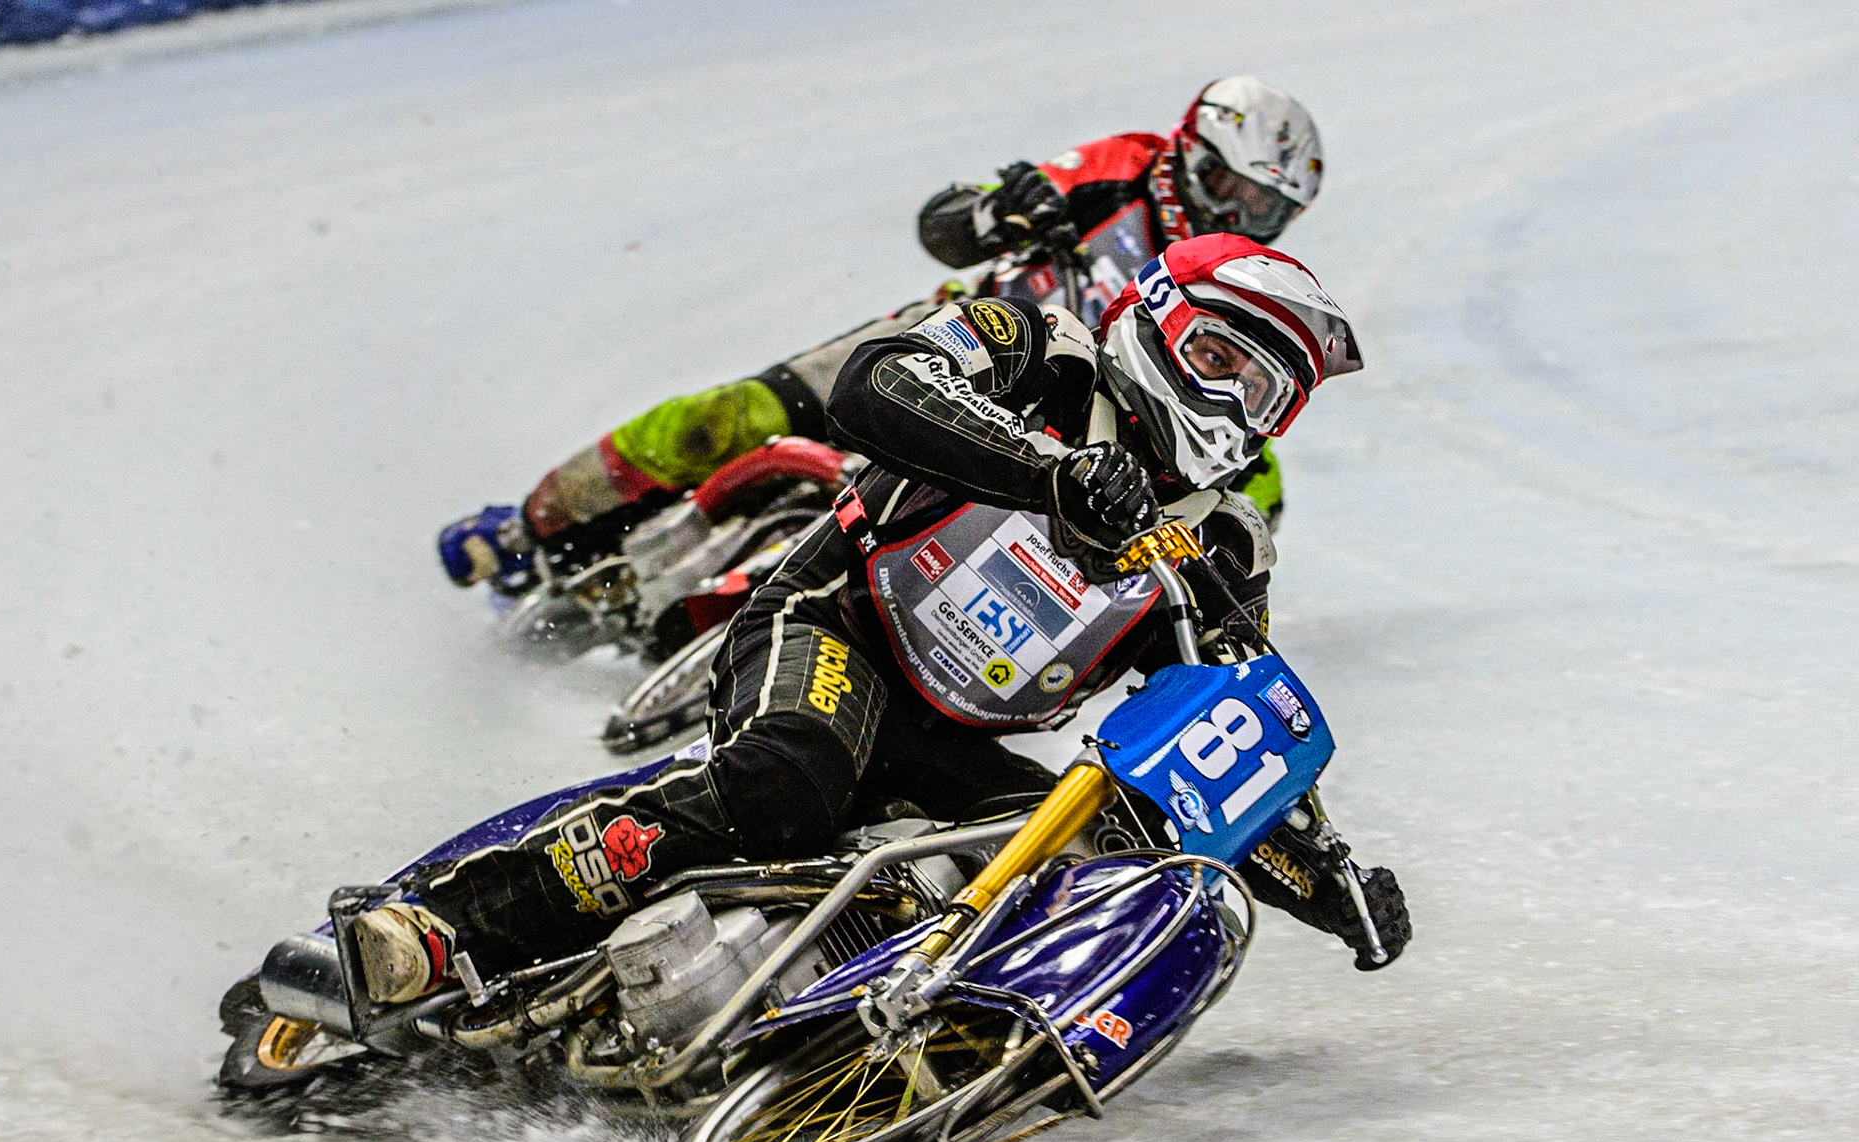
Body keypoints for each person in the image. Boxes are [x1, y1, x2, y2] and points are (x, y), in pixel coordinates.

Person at [356, 234, 1409, 1005]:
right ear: (1156, 317)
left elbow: (1226, 729)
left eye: (1266, 394)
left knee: (1098, 875)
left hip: (953, 734)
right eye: (1221, 360)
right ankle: (441, 928)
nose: (1232, 405)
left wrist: (1324, 880)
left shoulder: (1225, 545)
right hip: (837, 622)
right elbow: (876, 383)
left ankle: (868, 1040)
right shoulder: (1039, 348)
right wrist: (1053, 474)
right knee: (785, 781)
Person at [439, 76, 1323, 597]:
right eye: (1233, 189)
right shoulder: (1117, 169)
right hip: (966, 340)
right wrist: (1003, 211)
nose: (1239, 215)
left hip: (1058, 429)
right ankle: (529, 522)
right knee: (738, 413)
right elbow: (945, 224)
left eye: (1267, 210)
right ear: (1189, 153)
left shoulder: (1235, 288)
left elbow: (1250, 440)